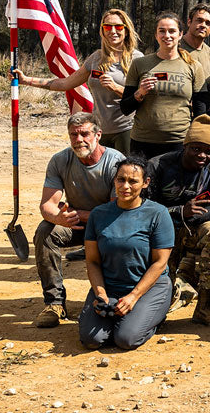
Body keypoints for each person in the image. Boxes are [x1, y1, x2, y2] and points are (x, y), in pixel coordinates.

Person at [32, 113, 126, 328]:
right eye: (73, 134)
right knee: (45, 231)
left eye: (84, 134)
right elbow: (47, 204)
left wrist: (79, 213)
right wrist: (58, 217)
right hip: (76, 224)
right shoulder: (60, 160)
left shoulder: (116, 161)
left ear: (98, 135)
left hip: (109, 225)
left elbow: (117, 209)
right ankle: (54, 303)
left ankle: (112, 297)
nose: (79, 140)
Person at [15, 8, 143, 154]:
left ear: (126, 30)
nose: (113, 31)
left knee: (125, 174)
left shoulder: (137, 59)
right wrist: (26, 80)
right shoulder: (96, 58)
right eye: (107, 27)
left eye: (119, 27)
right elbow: (65, 83)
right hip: (99, 131)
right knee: (100, 175)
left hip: (126, 130)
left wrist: (115, 87)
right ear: (102, 31)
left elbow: (141, 97)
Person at [79, 158, 175, 350]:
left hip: (148, 288)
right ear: (114, 180)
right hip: (110, 288)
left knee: (125, 339)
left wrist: (133, 296)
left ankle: (152, 316)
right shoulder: (98, 214)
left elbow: (160, 263)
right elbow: (92, 261)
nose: (125, 186)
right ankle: (123, 317)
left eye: (133, 181)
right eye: (120, 180)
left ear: (145, 183)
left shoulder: (158, 213)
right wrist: (101, 294)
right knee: (92, 340)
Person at [146, 115, 210, 327]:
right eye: (195, 148)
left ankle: (204, 306)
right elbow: (145, 208)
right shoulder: (159, 165)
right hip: (163, 228)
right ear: (185, 146)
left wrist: (191, 217)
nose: (202, 155)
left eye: (208, 151)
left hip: (194, 227)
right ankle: (159, 305)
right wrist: (179, 211)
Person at [121, 12, 207, 158]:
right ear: (156, 35)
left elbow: (201, 109)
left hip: (179, 142)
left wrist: (195, 139)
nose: (167, 35)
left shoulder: (193, 66)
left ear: (180, 35)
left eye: (172, 31)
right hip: (142, 142)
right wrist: (140, 93)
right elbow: (125, 108)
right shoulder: (139, 64)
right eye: (162, 31)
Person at [181, 3, 210, 79]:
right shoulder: (173, 48)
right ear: (189, 22)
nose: (203, 25)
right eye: (199, 20)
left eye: (208, 23)